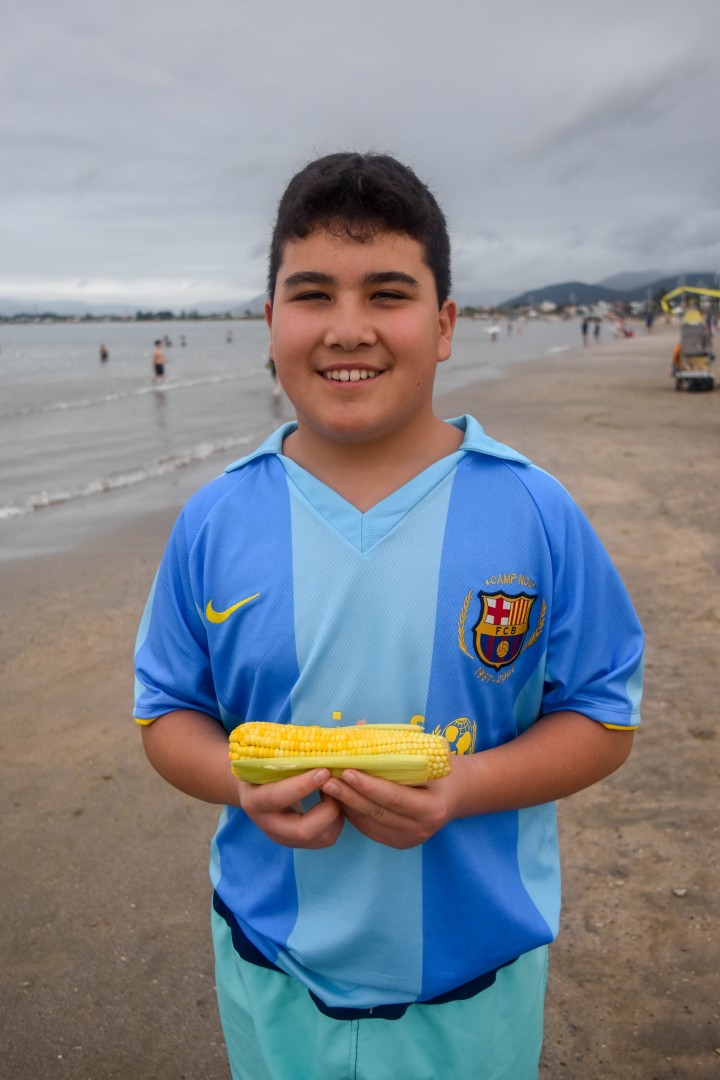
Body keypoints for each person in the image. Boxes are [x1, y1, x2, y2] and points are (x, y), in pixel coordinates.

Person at [134, 152, 644, 1080]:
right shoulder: (215, 519)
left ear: (444, 325)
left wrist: (461, 788)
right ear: (270, 321)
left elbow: (604, 717)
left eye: (388, 294)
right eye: (313, 294)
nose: (348, 328)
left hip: (473, 983)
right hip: (271, 966)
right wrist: (236, 782)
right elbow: (168, 712)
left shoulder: (532, 510)